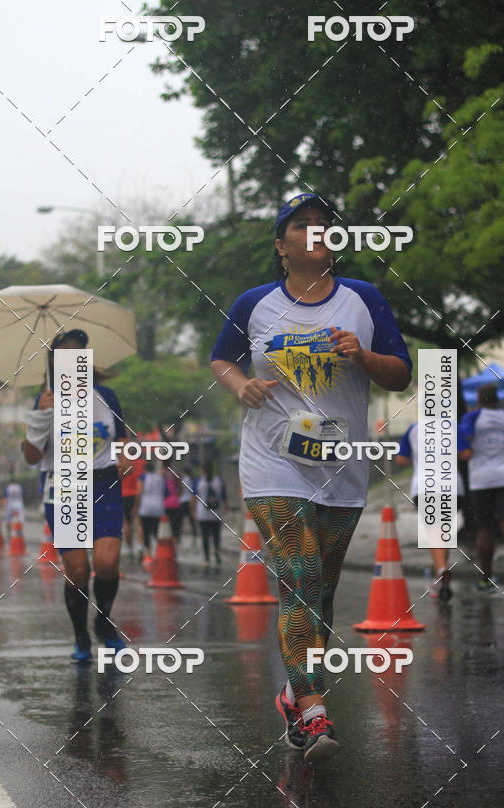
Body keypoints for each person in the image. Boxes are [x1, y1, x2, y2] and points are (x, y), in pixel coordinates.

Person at [210, 192, 412, 762]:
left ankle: (292, 695)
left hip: (342, 468)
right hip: (273, 463)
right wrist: (239, 385)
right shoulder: (253, 305)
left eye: (325, 226)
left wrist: (363, 356)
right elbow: (221, 359)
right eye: (303, 226)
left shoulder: (362, 301)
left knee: (320, 591)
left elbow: (400, 374)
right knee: (298, 572)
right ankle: (314, 710)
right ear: (282, 246)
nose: (316, 233)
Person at [22, 329, 128, 662]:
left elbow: (121, 439)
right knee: (78, 571)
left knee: (108, 562)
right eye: (65, 354)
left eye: (79, 353)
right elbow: (31, 456)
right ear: (54, 362)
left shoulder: (106, 396)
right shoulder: (45, 399)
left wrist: (126, 456)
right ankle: (81, 636)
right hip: (65, 487)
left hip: (105, 483)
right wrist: (41, 414)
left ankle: (104, 622)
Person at [458, 383, 504, 595]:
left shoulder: (471, 418)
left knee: (485, 529)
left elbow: (466, 450)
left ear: (479, 399)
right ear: (497, 399)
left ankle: (487, 579)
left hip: (481, 482)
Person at [396, 422, 464, 600]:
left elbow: (401, 459)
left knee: (435, 530)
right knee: (443, 531)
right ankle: (441, 579)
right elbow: (466, 452)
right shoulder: (453, 427)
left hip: (425, 486)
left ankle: (441, 569)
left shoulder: (413, 429)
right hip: (453, 486)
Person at [192, 462, 227, 565]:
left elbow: (194, 498)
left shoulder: (198, 481)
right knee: (216, 535)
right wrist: (225, 508)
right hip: (216, 513)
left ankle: (207, 557)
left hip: (202, 513)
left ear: (202, 470)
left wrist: (193, 511)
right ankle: (217, 554)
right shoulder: (218, 480)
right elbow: (224, 496)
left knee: (205, 536)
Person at [136, 461, 165, 561]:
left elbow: (139, 493)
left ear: (145, 469)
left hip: (145, 508)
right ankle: (159, 552)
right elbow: (164, 492)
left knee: (146, 531)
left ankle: (148, 554)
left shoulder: (142, 477)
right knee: (156, 531)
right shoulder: (160, 478)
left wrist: (136, 507)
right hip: (158, 507)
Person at [121, 456, 145, 557]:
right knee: (138, 522)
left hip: (124, 495)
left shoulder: (123, 463)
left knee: (126, 523)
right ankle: (140, 546)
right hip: (136, 494)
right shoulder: (142, 463)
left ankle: (129, 548)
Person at [162, 460, 183, 541]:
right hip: (176, 503)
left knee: (167, 527)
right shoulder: (175, 473)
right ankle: (176, 544)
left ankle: (169, 545)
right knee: (176, 526)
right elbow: (181, 489)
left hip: (166, 504)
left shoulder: (162, 473)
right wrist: (175, 496)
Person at [179, 464, 198, 543]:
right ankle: (194, 535)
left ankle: (179, 535)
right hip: (189, 500)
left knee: (181, 519)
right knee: (191, 519)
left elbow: (181, 490)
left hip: (183, 500)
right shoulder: (192, 479)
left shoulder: (183, 479)